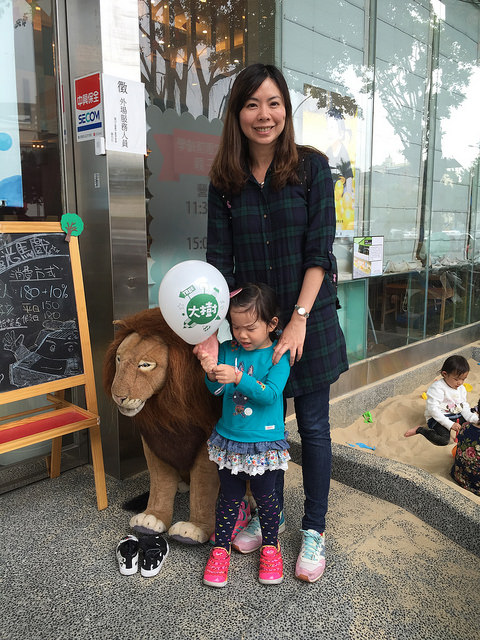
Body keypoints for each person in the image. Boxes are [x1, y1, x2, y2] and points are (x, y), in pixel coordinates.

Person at [205, 63, 348, 583]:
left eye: (273, 103)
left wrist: (298, 321)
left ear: (286, 109)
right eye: (251, 104)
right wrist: (209, 335)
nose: (264, 115)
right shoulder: (225, 181)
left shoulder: (312, 168)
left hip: (308, 324)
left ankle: (313, 529)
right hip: (252, 333)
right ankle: (269, 513)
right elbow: (219, 264)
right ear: (237, 113)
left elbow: (319, 253)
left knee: (311, 427)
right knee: (256, 428)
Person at [198, 283, 291, 587]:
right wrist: (211, 372)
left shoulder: (278, 356)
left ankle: (270, 549)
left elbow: (270, 395)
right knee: (228, 498)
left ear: (272, 324)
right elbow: (217, 390)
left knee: (266, 499)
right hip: (230, 440)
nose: (241, 335)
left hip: (264, 443)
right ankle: (220, 551)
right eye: (234, 327)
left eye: (249, 328)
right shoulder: (227, 350)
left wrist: (239, 376)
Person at [404, 355, 479, 445]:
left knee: (473, 427)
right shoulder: (437, 388)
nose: (460, 382)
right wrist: (450, 424)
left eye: (463, 379)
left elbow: (463, 406)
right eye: (456, 379)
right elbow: (433, 410)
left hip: (455, 414)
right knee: (443, 440)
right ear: (445, 374)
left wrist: (475, 419)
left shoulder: (461, 388)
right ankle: (420, 430)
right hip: (437, 417)